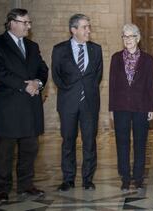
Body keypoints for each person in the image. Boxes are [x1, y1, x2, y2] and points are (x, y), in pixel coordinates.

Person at [0, 8, 48, 202]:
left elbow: (42, 68)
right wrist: (24, 86)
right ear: (12, 23)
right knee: (4, 151)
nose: (29, 27)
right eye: (25, 23)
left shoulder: (32, 45)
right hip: (9, 107)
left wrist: (38, 83)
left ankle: (26, 185)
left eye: (29, 23)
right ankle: (2, 188)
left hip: (31, 107)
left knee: (30, 149)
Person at [52, 14, 103, 192]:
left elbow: (97, 76)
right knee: (68, 141)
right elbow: (56, 76)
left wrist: (85, 90)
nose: (88, 30)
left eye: (89, 26)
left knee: (90, 142)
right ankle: (68, 179)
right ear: (73, 30)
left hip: (89, 103)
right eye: (84, 27)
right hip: (68, 104)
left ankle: (88, 179)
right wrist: (71, 91)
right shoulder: (59, 50)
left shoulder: (96, 49)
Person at [109, 23, 153, 191]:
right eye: (124, 36)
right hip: (120, 106)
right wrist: (111, 108)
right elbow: (112, 85)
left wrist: (152, 107)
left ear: (138, 38)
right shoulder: (115, 58)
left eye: (131, 36)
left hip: (141, 106)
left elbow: (151, 84)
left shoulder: (147, 59)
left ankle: (138, 177)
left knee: (140, 143)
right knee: (122, 142)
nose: (127, 39)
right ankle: (125, 177)